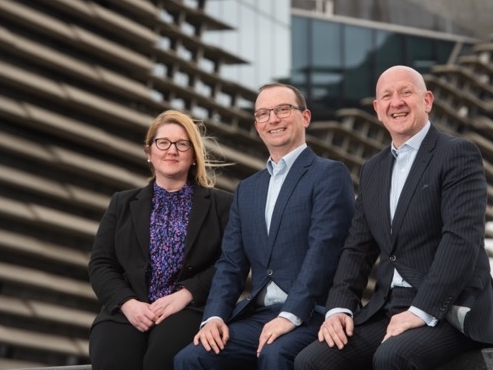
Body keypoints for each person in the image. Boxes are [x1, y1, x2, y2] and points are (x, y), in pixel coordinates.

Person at [295, 65, 493, 370]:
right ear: (377, 109)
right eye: (386, 96)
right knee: (312, 361)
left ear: (427, 100)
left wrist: (421, 310)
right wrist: (339, 309)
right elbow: (357, 248)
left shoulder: (457, 154)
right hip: (388, 307)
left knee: (392, 357)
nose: (395, 102)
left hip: (450, 309)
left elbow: (461, 241)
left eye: (405, 92)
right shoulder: (373, 169)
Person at [173, 83, 355, 370]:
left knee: (275, 354)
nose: (273, 119)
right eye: (263, 113)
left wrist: (290, 315)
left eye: (283, 109)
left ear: (305, 117)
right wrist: (214, 317)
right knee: (191, 359)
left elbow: (324, 252)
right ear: (257, 125)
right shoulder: (248, 189)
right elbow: (231, 263)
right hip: (259, 315)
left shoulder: (329, 174)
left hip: (312, 313)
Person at [88, 109, 233, 370]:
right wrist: (128, 303)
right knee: (114, 360)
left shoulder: (221, 205)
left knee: (162, 361)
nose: (171, 150)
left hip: (187, 309)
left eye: (181, 144)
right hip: (127, 308)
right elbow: (101, 264)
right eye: (163, 143)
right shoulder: (122, 203)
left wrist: (188, 293)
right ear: (149, 152)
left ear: (193, 156)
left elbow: (231, 262)